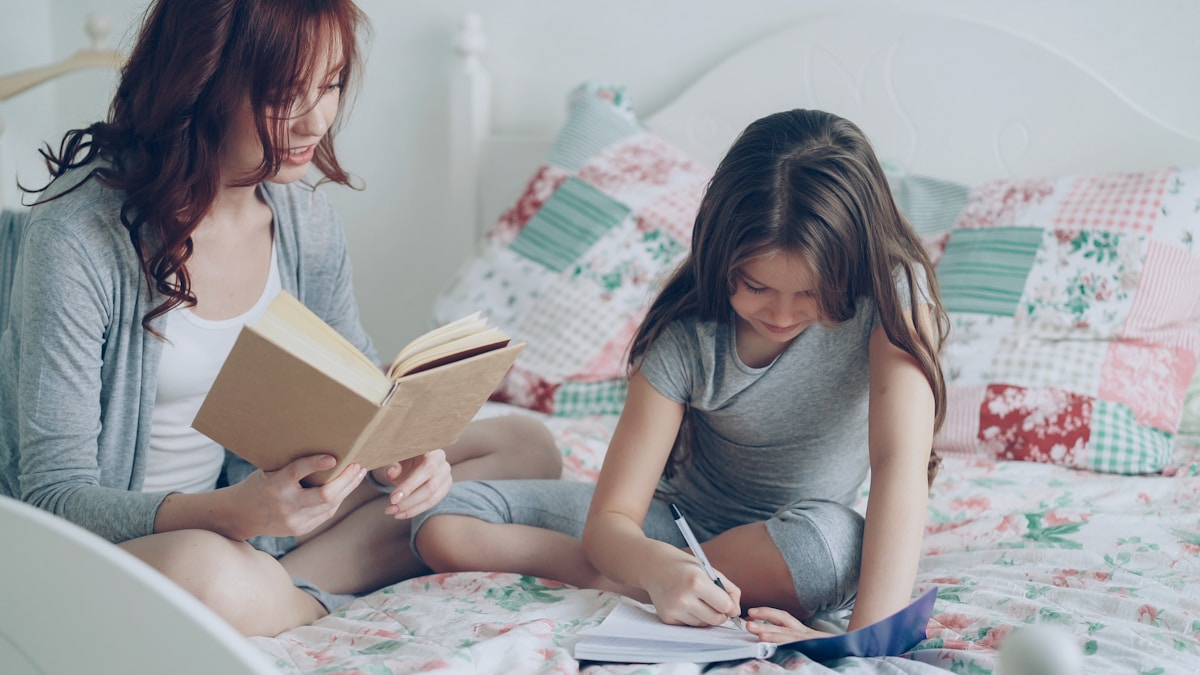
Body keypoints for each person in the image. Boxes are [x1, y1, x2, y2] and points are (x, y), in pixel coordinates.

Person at [0, 0, 561, 638]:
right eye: (286, 93)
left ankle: (281, 589)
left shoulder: (303, 221)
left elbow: (356, 396)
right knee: (203, 569)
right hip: (132, 545)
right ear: (202, 83)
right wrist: (234, 514)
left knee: (525, 444)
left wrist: (401, 456)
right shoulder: (78, 236)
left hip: (264, 526)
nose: (318, 119)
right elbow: (54, 499)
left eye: (332, 85)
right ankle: (304, 599)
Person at [410, 108, 947, 642]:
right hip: (676, 525)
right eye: (757, 287)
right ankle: (661, 583)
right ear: (721, 254)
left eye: (810, 294)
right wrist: (654, 566)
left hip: (794, 542)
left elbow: (899, 461)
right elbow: (613, 519)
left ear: (851, 265)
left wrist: (862, 642)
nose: (782, 315)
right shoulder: (686, 333)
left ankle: (655, 582)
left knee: (832, 548)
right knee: (445, 524)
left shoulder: (893, 295)